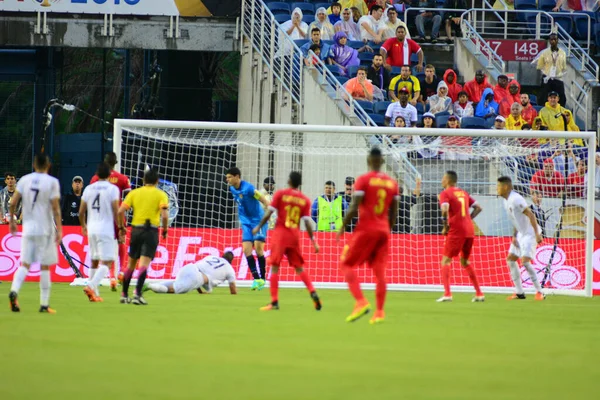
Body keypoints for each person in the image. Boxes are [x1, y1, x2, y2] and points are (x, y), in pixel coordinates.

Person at [337, 147, 399, 324]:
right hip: (384, 230)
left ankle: (361, 302)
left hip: (366, 228)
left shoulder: (363, 180)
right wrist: (387, 230)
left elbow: (354, 207)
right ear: (382, 162)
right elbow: (394, 212)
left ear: (369, 161)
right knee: (380, 273)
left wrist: (343, 227)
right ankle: (379, 312)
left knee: (346, 264)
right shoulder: (392, 183)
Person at [253, 171, 322, 311]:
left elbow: (269, 213)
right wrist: (313, 240)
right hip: (294, 236)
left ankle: (274, 302)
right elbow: (308, 223)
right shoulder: (304, 200)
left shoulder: (280, 194)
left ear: (289, 181)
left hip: (281, 234)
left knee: (274, 267)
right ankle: (313, 292)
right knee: (299, 268)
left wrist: (259, 226)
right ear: (299, 184)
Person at [8, 154, 62, 313]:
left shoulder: (24, 180)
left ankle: (14, 291)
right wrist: (60, 228)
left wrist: (12, 220)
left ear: (34, 164)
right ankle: (44, 304)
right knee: (45, 266)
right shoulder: (52, 182)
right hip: (45, 229)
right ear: (48, 165)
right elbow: (55, 208)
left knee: (25, 264)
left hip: (28, 228)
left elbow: (12, 202)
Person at [117, 168, 169, 305]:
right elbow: (164, 214)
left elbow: (120, 210)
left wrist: (121, 227)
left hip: (136, 230)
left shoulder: (134, 193)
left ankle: (123, 294)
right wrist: (164, 229)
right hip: (151, 231)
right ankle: (137, 294)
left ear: (143, 180)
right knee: (144, 265)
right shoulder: (161, 194)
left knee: (130, 264)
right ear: (157, 181)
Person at [437, 171, 484, 302]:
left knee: (446, 260)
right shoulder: (464, 193)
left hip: (456, 230)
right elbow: (479, 208)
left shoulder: (445, 193)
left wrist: (445, 227)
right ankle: (479, 293)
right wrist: (469, 218)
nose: (441, 180)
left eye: (443, 178)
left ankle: (447, 294)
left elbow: (445, 209)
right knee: (465, 261)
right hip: (469, 230)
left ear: (447, 180)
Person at [497, 176, 546, 301]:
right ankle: (519, 292)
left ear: (506, 187)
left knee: (525, 261)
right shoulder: (505, 200)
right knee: (511, 260)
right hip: (520, 234)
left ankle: (540, 292)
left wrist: (537, 234)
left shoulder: (515, 199)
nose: (497, 189)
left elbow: (531, 215)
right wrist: (514, 236)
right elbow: (515, 220)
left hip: (530, 233)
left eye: (499, 186)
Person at [79, 163, 120, 302]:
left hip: (92, 229)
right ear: (109, 175)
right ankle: (91, 285)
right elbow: (116, 210)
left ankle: (94, 295)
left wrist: (83, 226)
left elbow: (81, 211)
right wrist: (120, 227)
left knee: (94, 261)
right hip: (105, 229)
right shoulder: (112, 189)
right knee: (108, 262)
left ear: (96, 175)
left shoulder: (89, 189)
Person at [90, 151, 131, 291]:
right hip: (117, 215)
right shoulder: (122, 178)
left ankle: (111, 277)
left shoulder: (95, 179)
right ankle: (121, 271)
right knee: (121, 242)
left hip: (100, 218)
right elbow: (128, 198)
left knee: (103, 251)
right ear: (116, 163)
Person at [225, 167, 270, 290]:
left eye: (229, 177)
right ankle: (257, 279)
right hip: (245, 222)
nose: (227, 179)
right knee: (246, 250)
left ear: (237, 176)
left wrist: (269, 211)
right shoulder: (232, 189)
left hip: (258, 220)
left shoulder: (249, 188)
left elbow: (262, 199)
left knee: (259, 248)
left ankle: (263, 278)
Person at [146, 253, 237, 295]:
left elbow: (201, 273)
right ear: (231, 261)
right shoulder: (230, 269)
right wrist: (235, 294)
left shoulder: (212, 257)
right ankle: (151, 286)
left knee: (175, 283)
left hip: (189, 267)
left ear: (222, 256)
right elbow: (232, 288)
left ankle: (150, 285)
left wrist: (200, 291)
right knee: (173, 290)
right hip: (196, 277)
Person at [535, 33, 567, 106]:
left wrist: (559, 74)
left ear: (558, 40)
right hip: (547, 77)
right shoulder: (544, 52)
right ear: (549, 41)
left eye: (555, 39)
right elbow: (539, 66)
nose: (553, 41)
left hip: (558, 77)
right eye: (551, 39)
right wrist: (546, 74)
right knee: (543, 96)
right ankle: (542, 111)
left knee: (562, 97)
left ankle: (560, 112)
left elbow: (564, 67)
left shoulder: (563, 53)